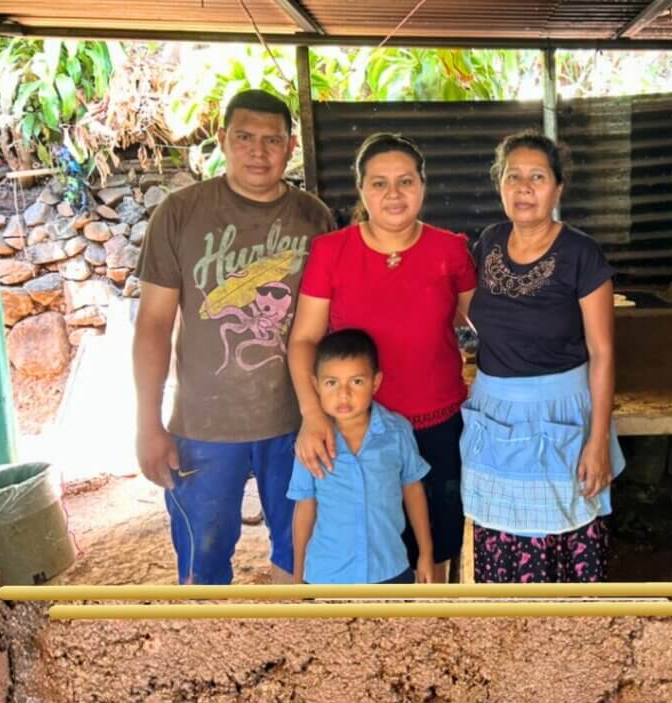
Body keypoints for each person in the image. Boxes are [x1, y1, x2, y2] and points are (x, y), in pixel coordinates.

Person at [134, 89, 334, 584]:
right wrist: (147, 423)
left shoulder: (315, 219)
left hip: (295, 421)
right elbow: (154, 325)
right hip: (203, 426)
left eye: (272, 140)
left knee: (300, 554)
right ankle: (208, 655)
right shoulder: (179, 214)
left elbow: (330, 324)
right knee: (202, 562)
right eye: (244, 137)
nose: (258, 152)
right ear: (222, 140)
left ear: (291, 148)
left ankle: (294, 650)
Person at [287, 133, 476, 582]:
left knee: (438, 540)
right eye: (379, 183)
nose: (393, 194)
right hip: (355, 428)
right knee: (363, 536)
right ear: (361, 190)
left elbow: (489, 324)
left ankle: (432, 628)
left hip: (437, 424)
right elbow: (303, 341)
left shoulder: (449, 250)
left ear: (423, 186)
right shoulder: (332, 251)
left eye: (405, 181)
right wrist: (313, 415)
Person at [460, 129, 626, 583]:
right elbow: (470, 311)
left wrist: (597, 441)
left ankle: (564, 645)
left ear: (557, 188)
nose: (524, 188)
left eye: (537, 177)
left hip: (562, 415)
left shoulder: (580, 254)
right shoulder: (489, 242)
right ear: (499, 185)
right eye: (513, 176)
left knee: (562, 536)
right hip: (495, 413)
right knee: (499, 537)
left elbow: (602, 353)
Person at [286, 329, 434, 584]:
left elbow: (413, 491)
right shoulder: (312, 443)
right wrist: (299, 576)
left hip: (389, 570)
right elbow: (304, 508)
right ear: (316, 385)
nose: (343, 395)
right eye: (331, 383)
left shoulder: (396, 432)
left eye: (356, 382)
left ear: (375, 383)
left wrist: (426, 554)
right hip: (326, 577)